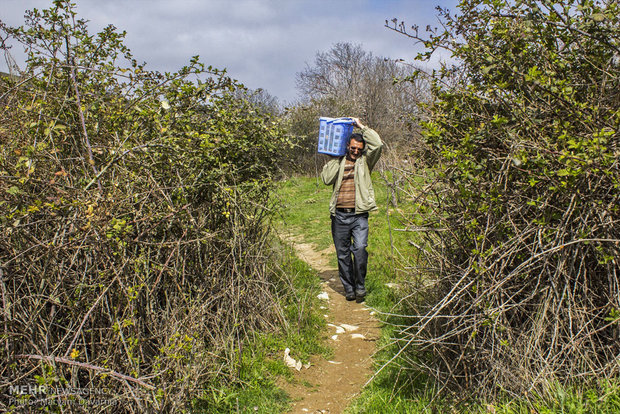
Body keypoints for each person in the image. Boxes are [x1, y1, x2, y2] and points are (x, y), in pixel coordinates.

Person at [321, 118, 383, 303]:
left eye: (359, 148)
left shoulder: (365, 162)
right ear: (347, 145)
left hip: (359, 215)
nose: (356, 151)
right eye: (353, 147)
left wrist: (362, 127)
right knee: (343, 254)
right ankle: (349, 288)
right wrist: (336, 156)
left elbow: (378, 144)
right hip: (339, 216)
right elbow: (326, 179)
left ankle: (360, 285)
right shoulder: (338, 161)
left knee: (360, 249)